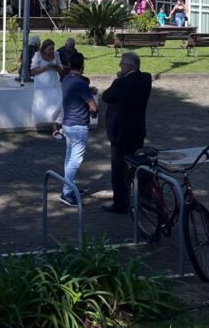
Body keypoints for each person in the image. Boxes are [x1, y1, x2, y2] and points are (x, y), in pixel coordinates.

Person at [100, 51, 152, 214]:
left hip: (120, 132)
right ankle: (144, 197)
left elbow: (106, 97)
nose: (119, 66)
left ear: (128, 66)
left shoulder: (120, 84)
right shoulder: (146, 79)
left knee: (118, 169)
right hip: (137, 130)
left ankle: (120, 202)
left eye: (121, 64)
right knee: (138, 164)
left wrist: (119, 79)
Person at [58, 52, 98, 207]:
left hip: (67, 124)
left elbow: (77, 94)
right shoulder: (81, 84)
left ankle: (70, 186)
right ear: (82, 66)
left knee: (69, 158)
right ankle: (67, 192)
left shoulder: (66, 79)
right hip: (79, 126)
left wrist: (88, 90)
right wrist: (92, 99)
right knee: (76, 160)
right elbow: (93, 108)